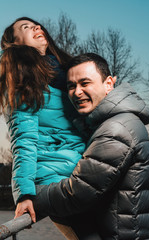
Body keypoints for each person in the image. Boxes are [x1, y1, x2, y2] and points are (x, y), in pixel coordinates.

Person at [32, 53, 149, 239]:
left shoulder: (116, 128)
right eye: (71, 86)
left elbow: (77, 193)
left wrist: (30, 194)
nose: (77, 92)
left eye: (85, 83)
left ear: (108, 84)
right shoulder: (114, 122)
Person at [0, 16, 86, 228]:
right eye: (26, 27)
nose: (36, 27)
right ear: (15, 43)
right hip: (57, 176)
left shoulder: (63, 71)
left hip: (81, 165)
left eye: (36, 24)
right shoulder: (22, 76)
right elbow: (24, 139)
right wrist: (24, 194)